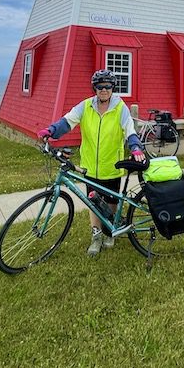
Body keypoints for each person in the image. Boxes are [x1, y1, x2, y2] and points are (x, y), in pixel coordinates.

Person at [38, 69, 146, 256]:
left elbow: (130, 130)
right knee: (93, 203)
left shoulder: (120, 108)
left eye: (107, 86)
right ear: (94, 88)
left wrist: (135, 147)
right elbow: (67, 121)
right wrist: (51, 130)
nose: (103, 90)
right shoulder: (85, 106)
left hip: (112, 165)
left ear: (113, 88)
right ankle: (96, 236)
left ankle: (109, 232)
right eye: (99, 86)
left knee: (111, 203)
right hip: (90, 166)